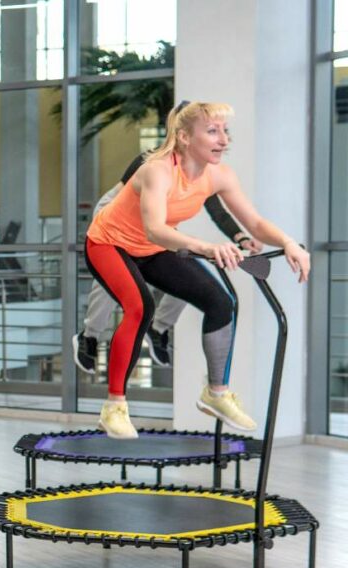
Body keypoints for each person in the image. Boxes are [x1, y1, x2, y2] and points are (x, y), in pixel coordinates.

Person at [85, 101, 310, 439]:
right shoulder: (156, 169)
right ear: (185, 137)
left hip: (151, 250)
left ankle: (216, 393)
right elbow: (155, 229)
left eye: (225, 131)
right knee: (140, 307)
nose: (224, 140)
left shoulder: (219, 175)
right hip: (108, 243)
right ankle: (114, 407)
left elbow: (256, 223)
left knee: (220, 302)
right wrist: (207, 247)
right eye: (213, 131)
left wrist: (289, 242)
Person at [74, 152, 263, 374]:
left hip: (154, 220)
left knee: (185, 265)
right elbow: (129, 200)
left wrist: (240, 237)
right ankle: (90, 336)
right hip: (117, 211)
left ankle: (159, 329)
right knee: (116, 270)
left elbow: (216, 210)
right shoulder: (153, 161)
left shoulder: (199, 172)